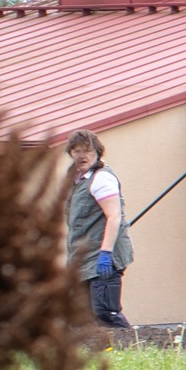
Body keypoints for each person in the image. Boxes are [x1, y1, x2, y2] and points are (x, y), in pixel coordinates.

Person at [66, 129, 132, 330]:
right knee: (81, 316)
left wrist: (105, 254)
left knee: (105, 312)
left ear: (97, 152)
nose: (82, 156)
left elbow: (114, 217)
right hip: (83, 258)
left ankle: (133, 349)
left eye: (87, 150)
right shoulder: (76, 181)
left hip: (103, 258)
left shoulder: (101, 179)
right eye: (76, 151)